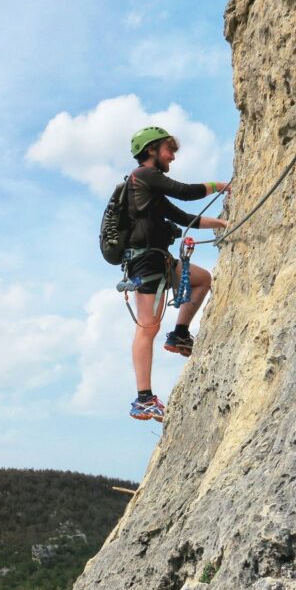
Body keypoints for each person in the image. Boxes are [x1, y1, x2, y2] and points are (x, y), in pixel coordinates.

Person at [125, 126, 230, 422]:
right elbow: (184, 193)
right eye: (169, 150)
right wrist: (220, 185)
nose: (172, 157)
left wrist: (221, 224)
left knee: (201, 279)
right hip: (145, 263)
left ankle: (180, 335)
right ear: (152, 151)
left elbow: (184, 218)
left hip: (159, 260)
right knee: (147, 327)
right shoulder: (144, 177)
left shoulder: (150, 190)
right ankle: (143, 399)